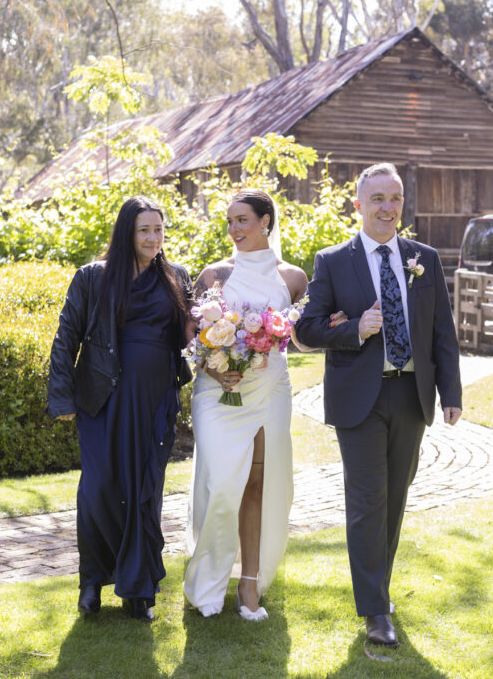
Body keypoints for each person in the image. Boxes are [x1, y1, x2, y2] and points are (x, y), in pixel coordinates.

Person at [294, 163, 463, 647]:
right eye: (377, 200)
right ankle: (375, 612)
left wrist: (450, 393)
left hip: (411, 396)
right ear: (359, 205)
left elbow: (441, 333)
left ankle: (378, 590)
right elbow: (306, 330)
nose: (387, 208)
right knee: (368, 503)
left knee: (394, 498)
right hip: (359, 400)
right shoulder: (333, 261)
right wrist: (355, 329)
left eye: (395, 199)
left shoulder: (424, 258)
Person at [47, 196, 193, 622]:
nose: (153, 238)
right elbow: (66, 337)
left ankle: (138, 590)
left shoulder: (176, 277)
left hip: (155, 402)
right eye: (144, 230)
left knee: (145, 492)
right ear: (127, 232)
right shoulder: (94, 277)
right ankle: (92, 582)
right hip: (102, 399)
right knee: (99, 489)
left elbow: (189, 337)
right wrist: (62, 397)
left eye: (159, 230)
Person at [183, 189, 307, 620]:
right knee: (220, 485)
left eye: (243, 221)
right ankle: (209, 578)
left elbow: (299, 338)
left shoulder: (293, 278)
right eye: (230, 222)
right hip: (218, 393)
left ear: (266, 221)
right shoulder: (213, 275)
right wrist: (216, 368)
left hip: (270, 390)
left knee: (261, 485)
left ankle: (249, 586)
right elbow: (191, 337)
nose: (234, 230)